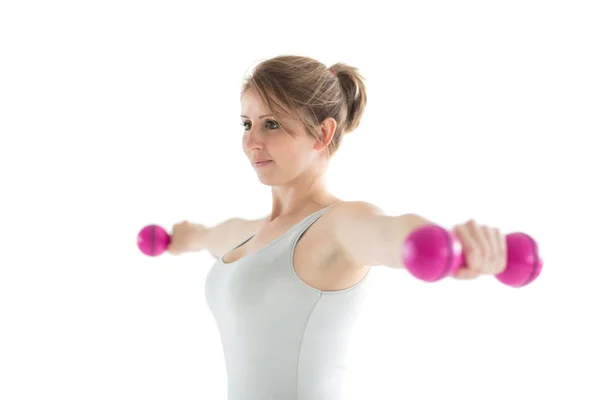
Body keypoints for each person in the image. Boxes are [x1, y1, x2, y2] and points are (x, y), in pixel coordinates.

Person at [167, 55, 508, 400]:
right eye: (246, 124)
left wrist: (454, 246)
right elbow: (206, 237)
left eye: (271, 124)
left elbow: (389, 234)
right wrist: (180, 239)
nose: (251, 142)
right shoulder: (249, 235)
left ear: (323, 133)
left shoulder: (336, 225)